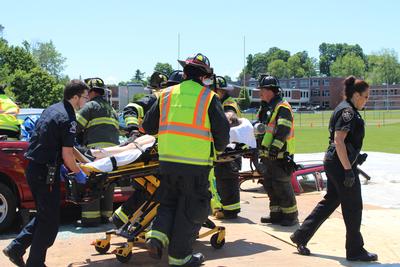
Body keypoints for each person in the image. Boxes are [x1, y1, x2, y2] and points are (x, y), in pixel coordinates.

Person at [142, 53, 230, 267]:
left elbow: (148, 126)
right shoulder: (208, 98)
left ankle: (156, 236)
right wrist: (217, 149)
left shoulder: (166, 94)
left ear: (184, 73)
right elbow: (223, 133)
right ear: (205, 77)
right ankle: (180, 258)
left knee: (168, 202)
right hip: (195, 165)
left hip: (168, 163)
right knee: (191, 210)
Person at [2, 80, 89, 267]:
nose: (86, 101)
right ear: (75, 97)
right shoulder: (68, 118)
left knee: (45, 215)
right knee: (49, 223)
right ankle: (35, 263)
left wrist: (85, 162)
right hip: (45, 173)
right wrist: (80, 173)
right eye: (84, 97)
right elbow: (66, 154)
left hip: (35, 169)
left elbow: (68, 146)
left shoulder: (53, 109)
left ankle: (16, 248)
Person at [290, 76, 378, 262]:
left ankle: (301, 235)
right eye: (366, 96)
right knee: (353, 207)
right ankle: (355, 250)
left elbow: (343, 142)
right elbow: (339, 140)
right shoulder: (348, 112)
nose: (367, 100)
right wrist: (348, 169)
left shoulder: (345, 108)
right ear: (356, 95)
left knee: (330, 201)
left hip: (335, 161)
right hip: (340, 164)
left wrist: (355, 157)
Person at [110, 70, 183, 228]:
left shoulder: (172, 99)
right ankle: (156, 229)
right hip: (154, 154)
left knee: (148, 190)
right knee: (162, 192)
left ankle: (122, 219)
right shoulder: (160, 97)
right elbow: (132, 108)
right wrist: (133, 130)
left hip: (156, 155)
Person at [74, 77, 120, 226]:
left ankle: (90, 218)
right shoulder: (112, 110)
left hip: (95, 153)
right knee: (107, 183)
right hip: (112, 154)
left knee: (92, 182)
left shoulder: (90, 106)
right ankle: (107, 216)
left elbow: (74, 127)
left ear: (92, 92)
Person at [257, 75, 298, 226]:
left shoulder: (282, 107)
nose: (260, 93)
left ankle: (291, 215)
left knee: (281, 185)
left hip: (280, 155)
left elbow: (283, 129)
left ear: (270, 91)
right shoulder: (268, 107)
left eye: (262, 89)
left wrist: (274, 148)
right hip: (269, 156)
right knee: (270, 185)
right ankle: (276, 214)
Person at [212, 76, 242, 219]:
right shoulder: (216, 102)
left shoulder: (229, 103)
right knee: (220, 177)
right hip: (222, 145)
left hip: (231, 148)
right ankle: (223, 207)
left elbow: (231, 114)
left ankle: (231, 211)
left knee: (228, 177)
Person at [122, 70, 182, 137]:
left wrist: (132, 128)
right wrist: (133, 127)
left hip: (157, 143)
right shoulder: (189, 101)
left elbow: (131, 108)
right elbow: (131, 108)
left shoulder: (160, 96)